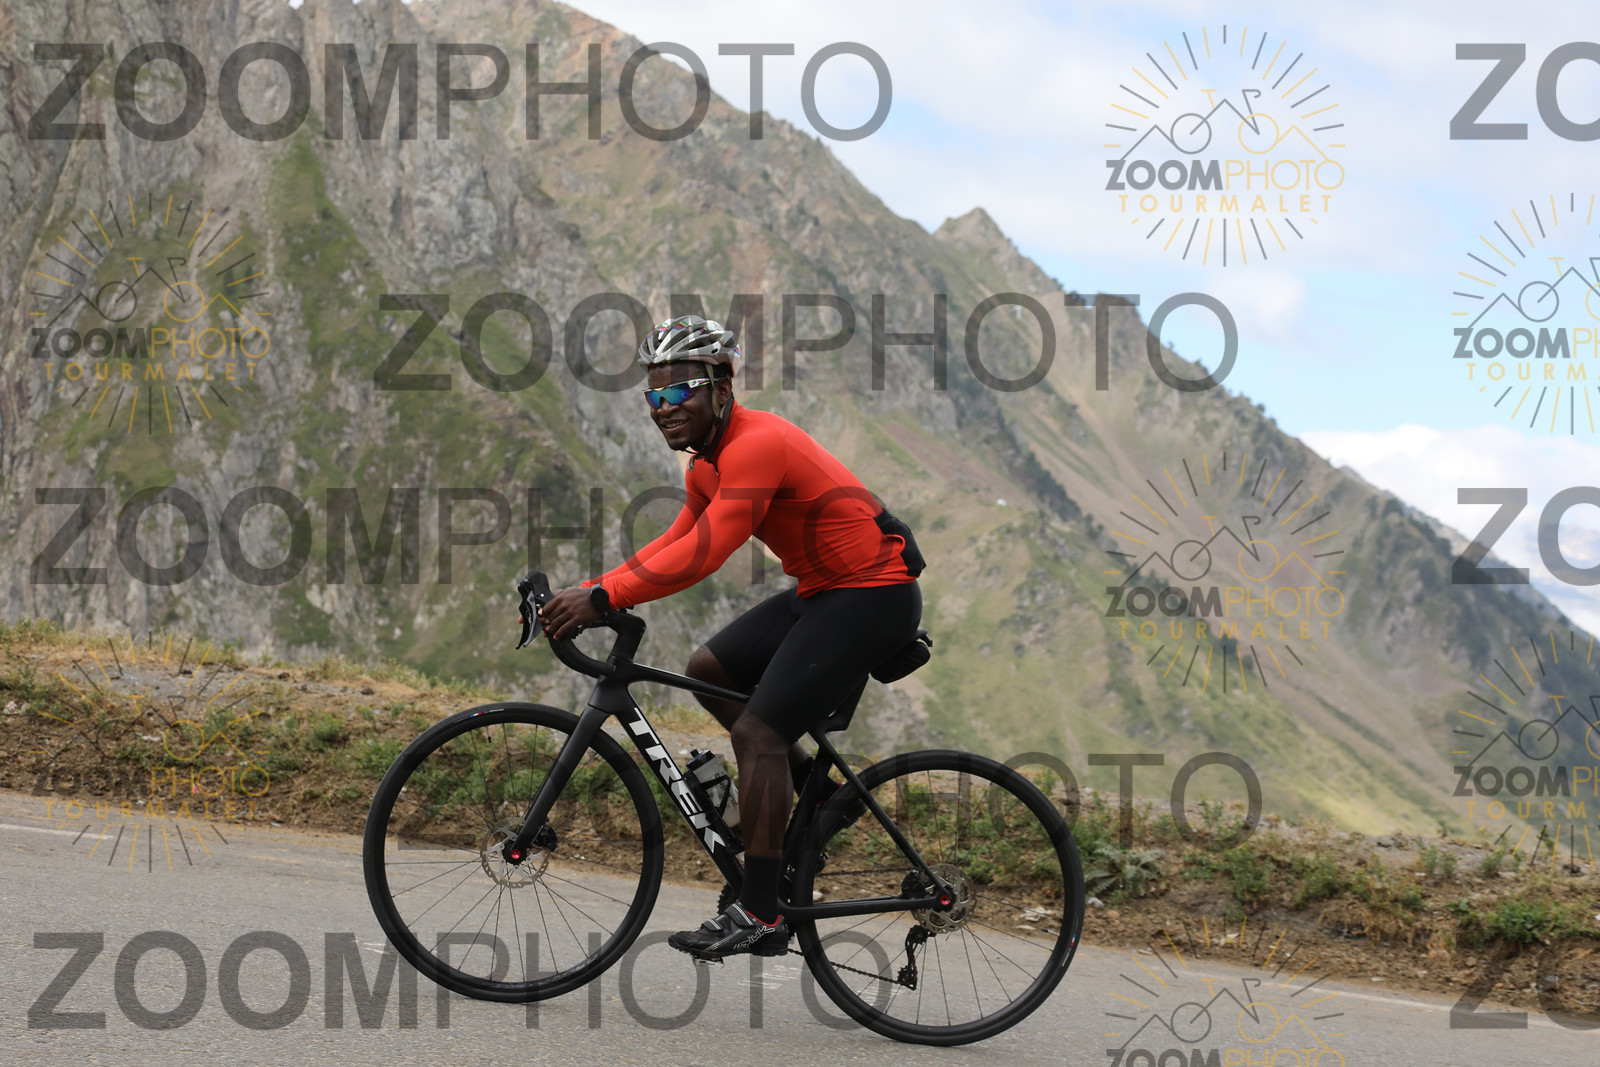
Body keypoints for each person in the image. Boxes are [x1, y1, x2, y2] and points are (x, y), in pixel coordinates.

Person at [537, 314, 923, 961]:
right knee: (709, 668)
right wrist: (591, 588)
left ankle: (763, 913)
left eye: (677, 391)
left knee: (758, 734)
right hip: (824, 589)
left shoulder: (755, 445)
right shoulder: (705, 467)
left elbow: (705, 554)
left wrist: (604, 599)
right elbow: (676, 540)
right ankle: (820, 797)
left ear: (721, 387)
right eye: (652, 395)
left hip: (873, 594)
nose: (663, 407)